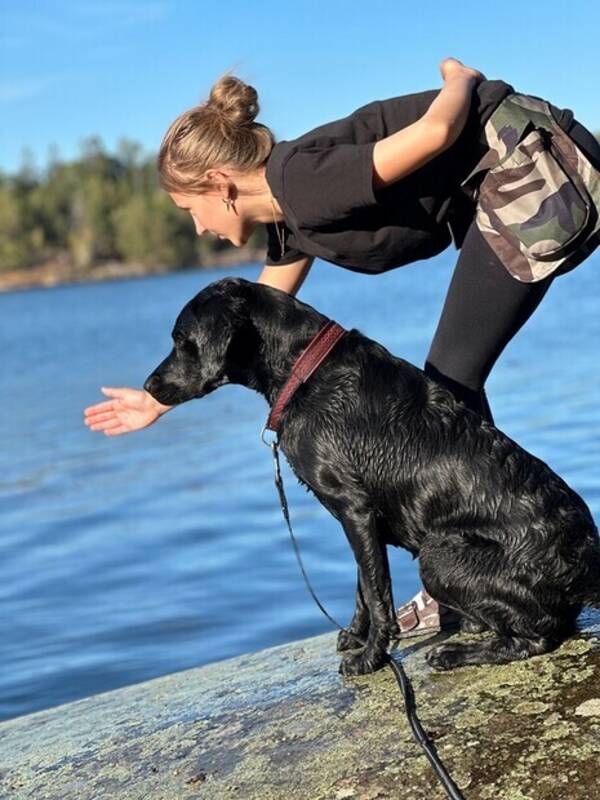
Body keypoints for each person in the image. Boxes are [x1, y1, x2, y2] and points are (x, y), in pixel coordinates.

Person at [83, 58, 600, 636]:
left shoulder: (304, 184)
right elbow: (240, 331)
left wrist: (461, 80)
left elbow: (434, 133)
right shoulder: (290, 218)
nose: (198, 228)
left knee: (448, 381)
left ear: (219, 187)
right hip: (505, 173)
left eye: (190, 212)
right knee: (447, 383)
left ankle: (482, 572)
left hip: (531, 162)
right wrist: (157, 401)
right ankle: (482, 567)